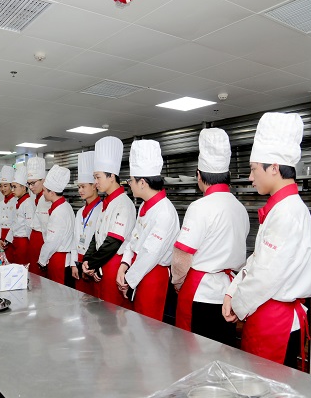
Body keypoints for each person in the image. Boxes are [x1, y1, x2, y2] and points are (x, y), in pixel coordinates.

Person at [222, 112, 311, 368]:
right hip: (265, 311)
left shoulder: (287, 211)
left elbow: (265, 275)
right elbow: (258, 260)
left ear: (274, 168)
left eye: (254, 169)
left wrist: (237, 305)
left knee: (267, 382)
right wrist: (232, 291)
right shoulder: (281, 207)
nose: (250, 177)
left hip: (275, 319)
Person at [171, 128, 249, 346]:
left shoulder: (199, 207)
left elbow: (182, 256)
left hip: (201, 294)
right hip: (228, 292)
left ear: (199, 175)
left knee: (193, 350)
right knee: (223, 349)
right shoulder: (240, 207)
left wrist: (177, 282)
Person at [116, 140, 180, 322]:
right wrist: (124, 264)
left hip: (153, 275)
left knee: (148, 327)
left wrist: (128, 279)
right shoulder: (144, 205)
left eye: (131, 180)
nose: (129, 184)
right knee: (134, 324)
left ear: (142, 182)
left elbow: (150, 254)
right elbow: (133, 238)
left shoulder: (165, 211)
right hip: (137, 270)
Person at [82, 136, 136, 306]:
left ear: (111, 176)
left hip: (113, 264)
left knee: (112, 313)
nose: (95, 183)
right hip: (101, 263)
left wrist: (92, 262)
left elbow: (113, 242)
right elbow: (96, 235)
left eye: (98, 177)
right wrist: (87, 259)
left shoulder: (123, 204)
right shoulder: (107, 202)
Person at [70, 152, 102, 295]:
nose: (80, 191)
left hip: (92, 264)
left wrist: (92, 265)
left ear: (94, 186)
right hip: (79, 261)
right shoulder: (80, 212)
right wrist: (73, 263)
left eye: (83, 187)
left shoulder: (102, 210)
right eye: (78, 187)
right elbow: (74, 238)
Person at [37, 165, 74, 284]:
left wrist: (42, 260)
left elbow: (52, 241)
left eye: (44, 190)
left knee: (57, 291)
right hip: (60, 257)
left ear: (52, 193)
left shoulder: (59, 212)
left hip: (58, 258)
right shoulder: (66, 206)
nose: (43, 193)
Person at [6, 166, 35, 265]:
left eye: (14, 187)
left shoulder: (28, 203)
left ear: (23, 187)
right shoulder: (19, 202)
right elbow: (14, 224)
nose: (12, 190)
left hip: (24, 243)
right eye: (12, 187)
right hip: (16, 241)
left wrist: (30, 245)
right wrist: (7, 240)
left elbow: (29, 227)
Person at [26, 157, 50, 277]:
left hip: (42, 241)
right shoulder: (36, 197)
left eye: (33, 183)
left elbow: (46, 228)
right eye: (28, 184)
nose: (30, 187)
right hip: (34, 241)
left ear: (43, 181)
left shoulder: (46, 199)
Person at [0, 166, 17, 262]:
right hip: (1, 236)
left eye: (5, 186)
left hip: (11, 237)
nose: (2, 189)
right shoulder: (1, 203)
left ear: (11, 186)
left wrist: (7, 240)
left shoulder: (16, 202)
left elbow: (15, 223)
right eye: (1, 186)